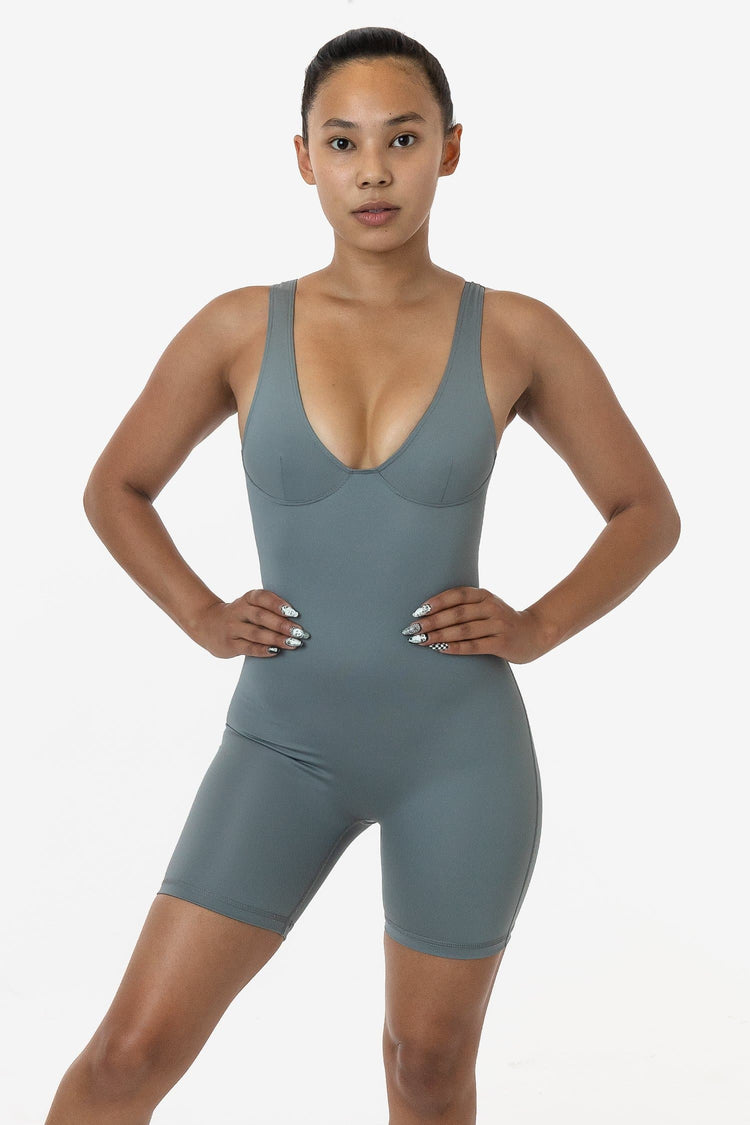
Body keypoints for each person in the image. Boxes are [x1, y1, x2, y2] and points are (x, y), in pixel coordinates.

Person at [44, 25, 681, 1125]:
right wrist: (200, 612)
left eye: (403, 138)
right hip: (280, 744)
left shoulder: (517, 332)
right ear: (304, 159)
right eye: (342, 142)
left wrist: (537, 625)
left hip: (459, 752)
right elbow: (117, 488)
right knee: (127, 1058)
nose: (374, 171)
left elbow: (646, 513)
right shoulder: (239, 327)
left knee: (426, 1069)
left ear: (450, 149)